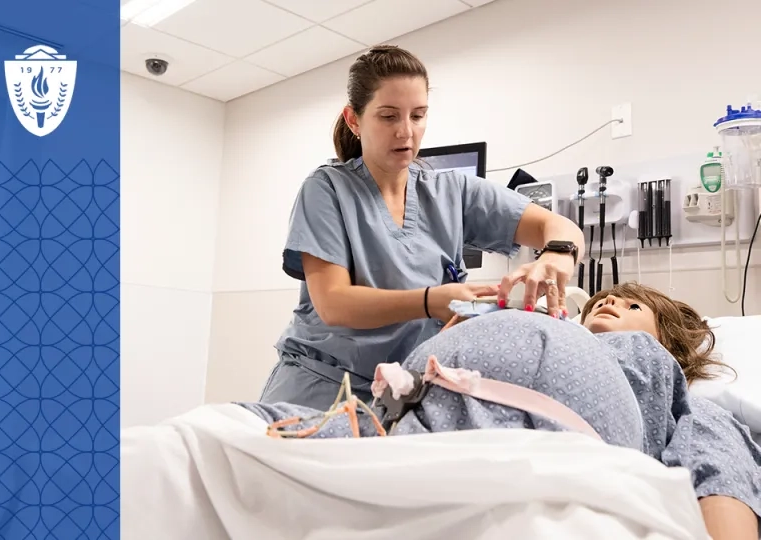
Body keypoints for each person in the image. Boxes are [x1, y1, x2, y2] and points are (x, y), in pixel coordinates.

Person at [241, 282, 761, 540]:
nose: (609, 305)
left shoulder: (669, 383)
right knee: (236, 435)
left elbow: (720, 470)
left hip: (552, 448)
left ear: (666, 342)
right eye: (602, 300)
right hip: (419, 414)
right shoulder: (553, 325)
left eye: (631, 308)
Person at [262, 45, 585, 410]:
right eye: (388, 116)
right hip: (322, 389)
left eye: (418, 115)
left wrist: (559, 253)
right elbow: (334, 303)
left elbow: (557, 226)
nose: (406, 132)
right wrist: (433, 301)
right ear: (354, 119)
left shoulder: (452, 191)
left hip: (403, 395)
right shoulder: (326, 190)